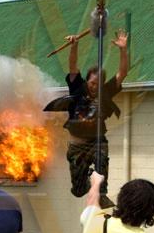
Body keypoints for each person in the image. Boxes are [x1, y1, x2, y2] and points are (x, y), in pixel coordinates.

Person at [51, 29, 130, 204]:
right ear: (87, 81)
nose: (95, 87)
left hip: (97, 142)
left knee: (101, 159)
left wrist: (123, 50)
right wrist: (74, 46)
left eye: (98, 84)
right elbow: (73, 67)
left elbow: (122, 73)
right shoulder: (78, 88)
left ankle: (101, 192)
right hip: (77, 145)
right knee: (78, 191)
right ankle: (87, 179)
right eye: (92, 83)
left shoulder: (105, 92)